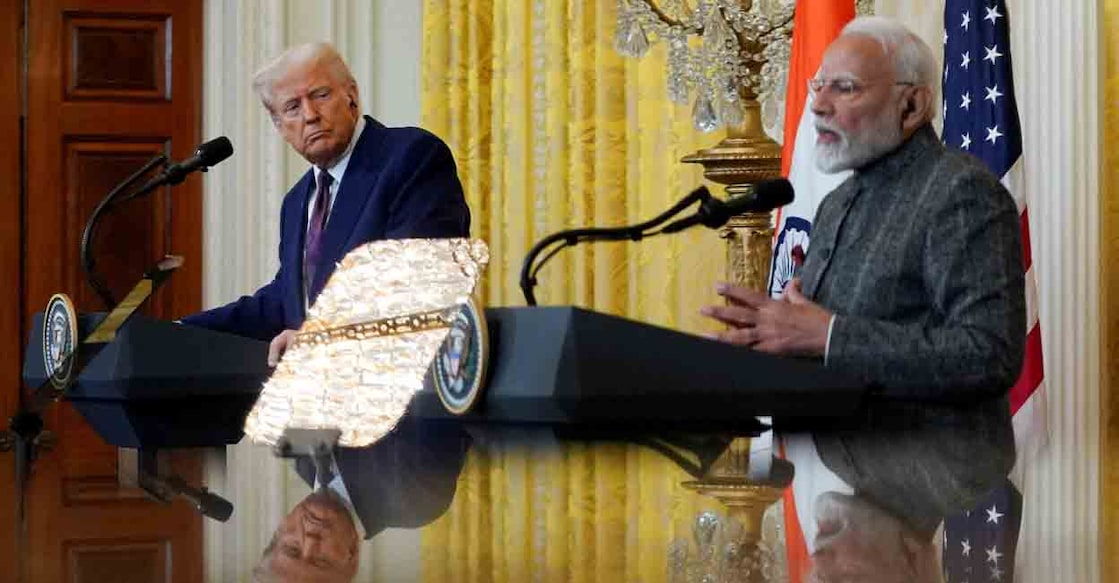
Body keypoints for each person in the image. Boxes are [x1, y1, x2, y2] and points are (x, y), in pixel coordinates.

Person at [700, 17, 1025, 542]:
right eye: (817, 86)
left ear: (912, 106)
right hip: (839, 485)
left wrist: (826, 336)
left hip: (935, 493)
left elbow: (987, 353)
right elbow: (820, 347)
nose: (818, 105)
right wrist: (767, 344)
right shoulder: (836, 205)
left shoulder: (961, 194)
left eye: (844, 88)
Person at [182, 43, 470, 364]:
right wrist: (180, 332)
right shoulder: (296, 202)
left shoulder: (410, 157)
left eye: (320, 95)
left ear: (352, 96)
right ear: (279, 127)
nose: (310, 115)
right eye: (292, 107)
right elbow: (287, 301)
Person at [253, 419, 470, 582]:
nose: (310, 540)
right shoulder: (415, 496)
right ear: (352, 558)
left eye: (293, 549)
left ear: (280, 530)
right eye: (322, 561)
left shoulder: (299, 457)